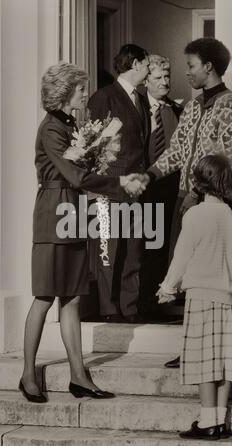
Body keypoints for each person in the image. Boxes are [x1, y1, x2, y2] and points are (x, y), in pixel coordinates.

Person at [129, 37, 232, 366]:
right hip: (187, 201)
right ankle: (191, 347)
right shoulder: (194, 106)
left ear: (209, 67)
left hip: (216, 207)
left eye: (190, 66)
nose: (186, 72)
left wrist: (197, 194)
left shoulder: (229, 106)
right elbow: (178, 150)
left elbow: (222, 161)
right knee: (191, 279)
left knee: (216, 280)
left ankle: (225, 350)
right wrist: (150, 174)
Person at [19, 62, 134, 403]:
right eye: (81, 89)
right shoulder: (52, 129)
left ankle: (79, 376)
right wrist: (117, 183)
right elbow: (76, 176)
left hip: (72, 213)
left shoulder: (70, 125)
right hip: (54, 215)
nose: (86, 94)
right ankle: (27, 374)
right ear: (66, 92)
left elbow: (81, 172)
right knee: (44, 296)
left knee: (71, 298)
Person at [156, 155, 232, 440]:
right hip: (224, 297)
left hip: (201, 296)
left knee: (205, 361)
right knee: (224, 361)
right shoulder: (228, 215)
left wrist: (168, 287)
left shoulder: (194, 215)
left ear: (198, 182)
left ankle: (206, 422)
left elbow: (181, 256)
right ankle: (220, 420)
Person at [87, 44, 151, 323]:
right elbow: (96, 147)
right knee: (108, 250)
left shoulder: (142, 99)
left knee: (133, 250)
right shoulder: (104, 97)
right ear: (135, 64)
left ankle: (129, 307)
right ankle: (110, 309)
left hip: (137, 187)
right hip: (112, 188)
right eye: (147, 64)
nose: (149, 70)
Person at [138, 54, 183, 315]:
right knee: (143, 246)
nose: (165, 82)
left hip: (168, 189)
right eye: (158, 77)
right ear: (146, 81)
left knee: (166, 244)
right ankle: (142, 302)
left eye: (167, 77)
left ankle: (161, 301)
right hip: (142, 188)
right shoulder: (138, 107)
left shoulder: (176, 110)